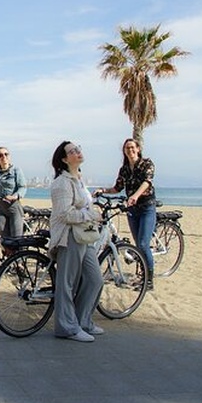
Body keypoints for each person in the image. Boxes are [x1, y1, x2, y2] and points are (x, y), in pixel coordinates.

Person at [48, 141, 104, 343]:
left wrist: (90, 215)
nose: (78, 152)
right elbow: (64, 214)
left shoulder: (78, 180)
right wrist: (91, 215)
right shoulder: (62, 183)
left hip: (84, 236)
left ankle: (83, 321)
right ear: (64, 159)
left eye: (78, 148)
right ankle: (67, 327)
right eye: (72, 151)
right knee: (67, 283)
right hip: (69, 236)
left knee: (95, 279)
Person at [94, 138, 156, 289]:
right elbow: (117, 188)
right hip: (132, 210)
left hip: (146, 207)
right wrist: (103, 190)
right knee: (138, 245)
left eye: (132, 147)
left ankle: (149, 280)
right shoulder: (124, 169)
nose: (130, 150)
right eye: (127, 148)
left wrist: (135, 195)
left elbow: (147, 182)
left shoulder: (147, 163)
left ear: (138, 149)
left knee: (143, 244)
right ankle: (142, 274)